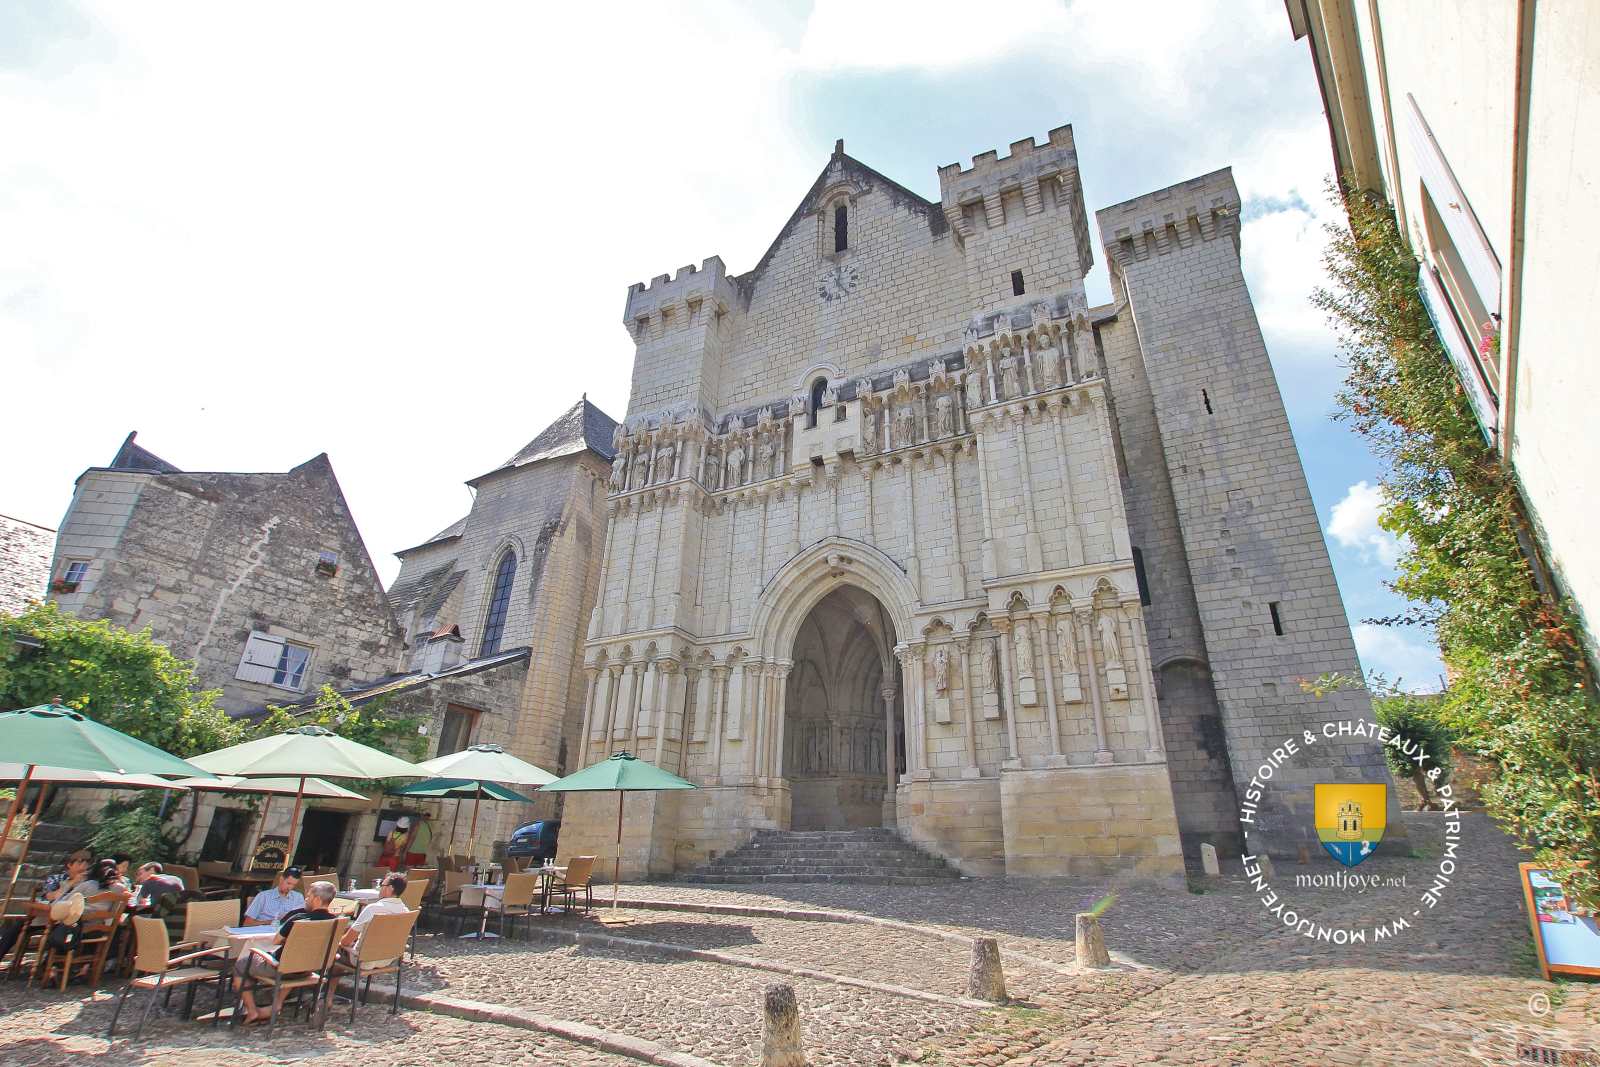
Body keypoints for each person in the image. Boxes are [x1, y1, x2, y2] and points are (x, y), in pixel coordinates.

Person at [232, 880, 338, 1024]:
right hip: (309, 968)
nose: (306, 899)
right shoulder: (336, 921)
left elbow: (276, 941)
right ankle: (276, 1004)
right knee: (297, 959)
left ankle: (252, 1010)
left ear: (317, 899)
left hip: (282, 968)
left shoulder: (299, 919)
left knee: (241, 964)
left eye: (309, 896)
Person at [339, 873, 409, 967]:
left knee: (333, 949)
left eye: (382, 885)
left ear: (390, 888)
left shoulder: (373, 909)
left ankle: (329, 976)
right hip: (388, 960)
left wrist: (337, 941)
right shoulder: (406, 911)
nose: (379, 889)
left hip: (363, 960)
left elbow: (346, 941)